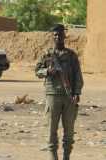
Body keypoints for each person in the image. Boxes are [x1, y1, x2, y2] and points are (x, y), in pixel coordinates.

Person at [35, 24, 84, 160]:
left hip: (69, 97)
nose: (58, 37)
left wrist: (77, 93)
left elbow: (77, 76)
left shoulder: (71, 55)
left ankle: (66, 157)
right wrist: (47, 71)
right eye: (55, 34)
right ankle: (53, 157)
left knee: (69, 132)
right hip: (52, 96)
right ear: (52, 36)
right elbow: (37, 71)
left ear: (64, 36)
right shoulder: (47, 54)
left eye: (60, 34)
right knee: (51, 130)